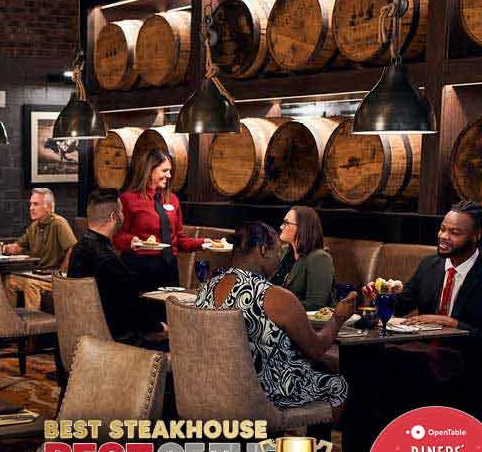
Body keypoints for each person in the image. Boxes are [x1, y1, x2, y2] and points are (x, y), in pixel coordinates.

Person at [360, 201, 482, 409]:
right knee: (366, 364)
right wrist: (380, 297)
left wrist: (451, 323)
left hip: (468, 361)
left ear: (475, 236)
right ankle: (372, 440)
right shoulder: (429, 265)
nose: (443, 236)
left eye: (454, 232)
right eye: (442, 228)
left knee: (401, 373)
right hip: (426, 354)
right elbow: (401, 305)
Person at [194, 221, 354, 416]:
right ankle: (320, 445)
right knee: (340, 385)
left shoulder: (208, 286)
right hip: (261, 395)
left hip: (211, 388)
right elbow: (317, 349)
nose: (280, 259)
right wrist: (338, 317)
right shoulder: (275, 297)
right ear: (263, 250)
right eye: (278, 252)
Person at [67, 188, 164, 346]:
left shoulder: (77, 250)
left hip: (85, 341)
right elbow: (131, 309)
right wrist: (159, 326)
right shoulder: (108, 260)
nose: (123, 216)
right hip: (116, 344)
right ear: (113, 217)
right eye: (121, 211)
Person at [115, 149, 210, 290]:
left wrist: (201, 243)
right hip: (139, 268)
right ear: (149, 170)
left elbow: (178, 239)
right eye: (164, 170)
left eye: (170, 171)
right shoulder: (127, 199)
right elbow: (117, 236)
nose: (169, 175)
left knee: (167, 311)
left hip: (169, 268)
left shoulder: (173, 200)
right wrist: (130, 241)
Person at [2, 188, 76, 310]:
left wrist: (61, 273)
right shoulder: (34, 226)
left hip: (52, 276)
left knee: (30, 284)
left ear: (48, 207)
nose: (31, 208)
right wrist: (4, 248)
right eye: (31, 204)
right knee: (9, 281)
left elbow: (72, 249)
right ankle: (10, 323)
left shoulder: (59, 223)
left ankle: (34, 325)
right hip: (38, 274)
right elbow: (18, 247)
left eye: (35, 204)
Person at [271, 206, 334, 310]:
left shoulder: (319, 258)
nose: (281, 227)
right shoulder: (285, 252)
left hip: (304, 322)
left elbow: (316, 304)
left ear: (302, 227)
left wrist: (275, 305)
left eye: (286, 223)